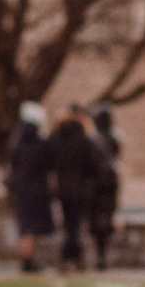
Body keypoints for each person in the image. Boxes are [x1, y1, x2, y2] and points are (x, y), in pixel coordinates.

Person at [47, 106, 113, 272]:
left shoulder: (56, 139)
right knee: (74, 226)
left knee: (69, 225)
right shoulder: (84, 141)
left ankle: (70, 258)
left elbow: (48, 162)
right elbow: (94, 166)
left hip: (62, 189)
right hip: (81, 190)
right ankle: (73, 258)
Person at [7, 102, 56, 273]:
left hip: (22, 189)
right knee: (33, 228)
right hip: (37, 189)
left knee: (25, 227)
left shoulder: (16, 142)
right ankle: (28, 261)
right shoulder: (41, 142)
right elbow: (49, 163)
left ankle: (27, 259)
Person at [88, 104, 122, 269]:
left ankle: (101, 255)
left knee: (99, 219)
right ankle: (102, 255)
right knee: (105, 218)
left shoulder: (96, 140)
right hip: (109, 183)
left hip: (99, 185)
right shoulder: (113, 139)